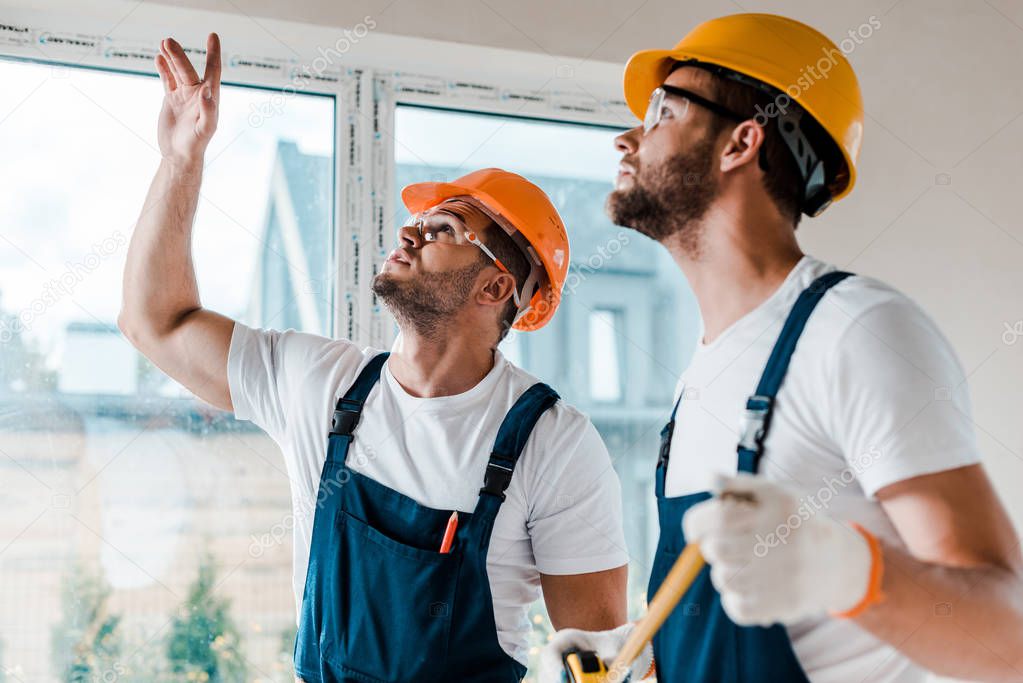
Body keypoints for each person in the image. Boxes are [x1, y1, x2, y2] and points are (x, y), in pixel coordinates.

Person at [119, 33, 630, 683]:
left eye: (444, 229)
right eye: (418, 220)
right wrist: (180, 159)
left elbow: (602, 663)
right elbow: (154, 322)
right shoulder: (321, 385)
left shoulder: (552, 443)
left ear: (495, 286)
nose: (409, 229)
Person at [540, 13, 1023, 683]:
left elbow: (1007, 635)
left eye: (660, 111)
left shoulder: (855, 329)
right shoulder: (703, 368)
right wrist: (645, 651)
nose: (627, 138)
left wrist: (841, 569)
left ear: (740, 141)